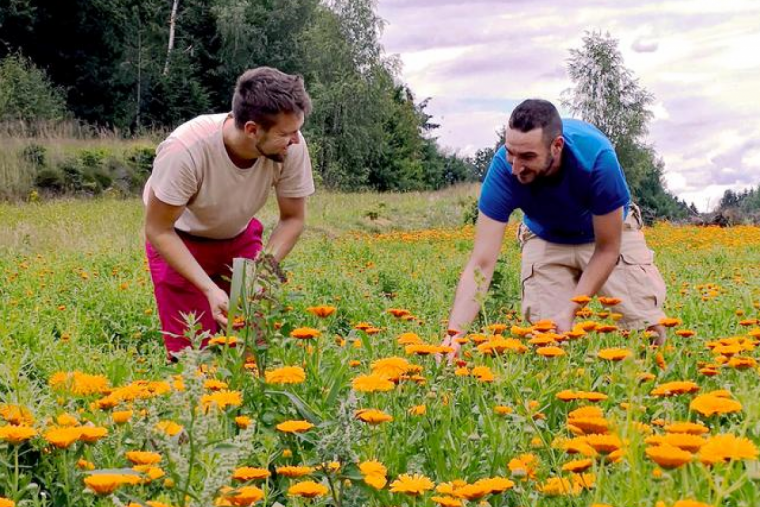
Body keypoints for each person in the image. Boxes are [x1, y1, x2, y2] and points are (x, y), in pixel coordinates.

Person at [442, 99, 667, 359]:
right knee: (547, 340)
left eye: (527, 157)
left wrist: (571, 309)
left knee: (648, 330)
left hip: (605, 236)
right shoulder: (503, 171)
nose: (515, 167)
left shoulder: (597, 158)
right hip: (546, 236)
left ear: (557, 146)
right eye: (510, 152)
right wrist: (453, 336)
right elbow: (481, 263)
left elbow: (607, 250)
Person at [143, 67, 314, 357]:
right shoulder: (185, 151)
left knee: (251, 343)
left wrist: (262, 272)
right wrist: (209, 289)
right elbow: (158, 229)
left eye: (297, 130)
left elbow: (293, 219)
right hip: (179, 241)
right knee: (194, 354)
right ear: (251, 129)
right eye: (286, 133)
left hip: (239, 236)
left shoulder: (290, 147)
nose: (296, 140)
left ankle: (246, 396)